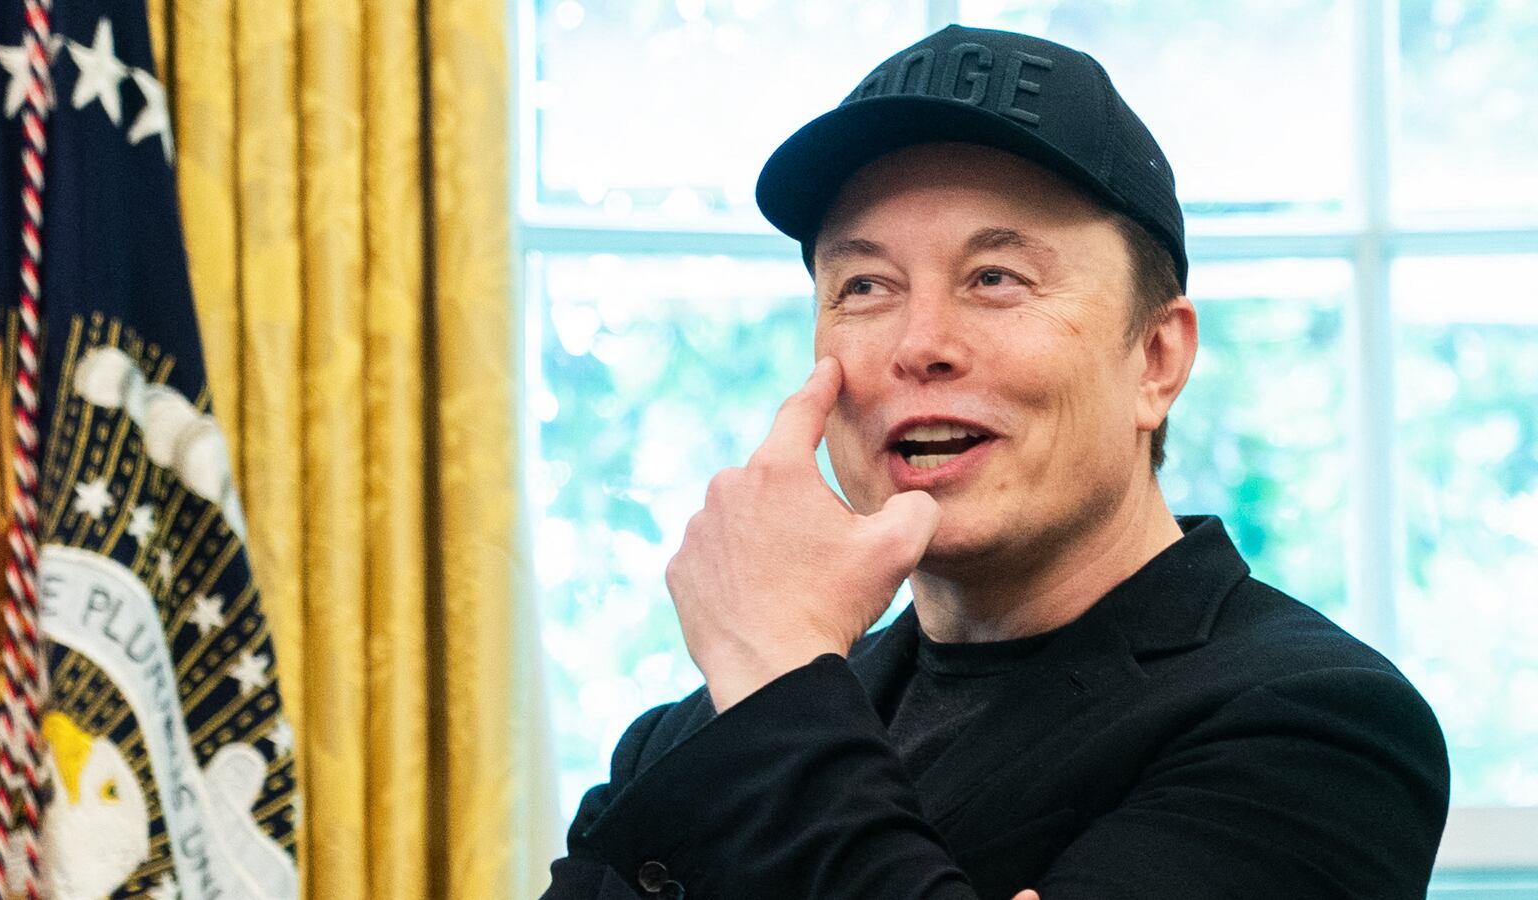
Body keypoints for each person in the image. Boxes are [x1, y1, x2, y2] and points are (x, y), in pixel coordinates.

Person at [541, 25, 1450, 900]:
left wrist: (776, 670)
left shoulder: (1318, 731)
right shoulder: (690, 739)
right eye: (864, 287)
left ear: (1156, 361)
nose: (920, 344)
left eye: (995, 279)